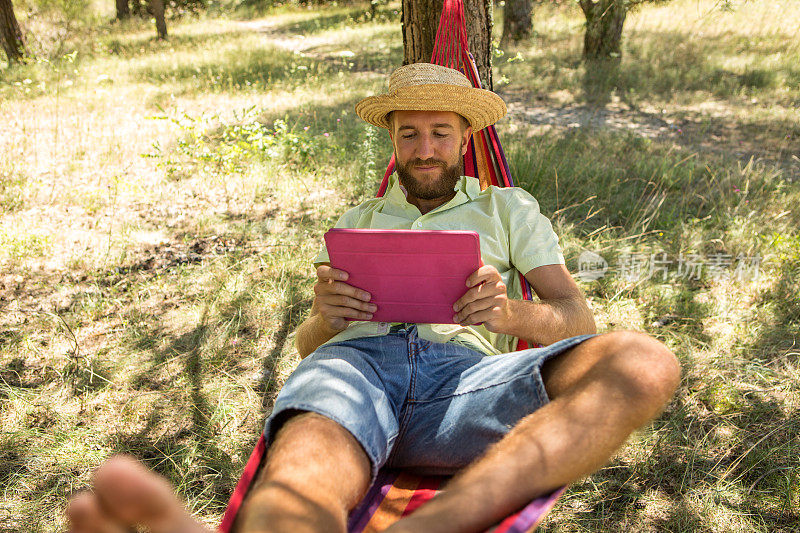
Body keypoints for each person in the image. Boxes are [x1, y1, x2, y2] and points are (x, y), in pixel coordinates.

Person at [66, 63, 681, 533]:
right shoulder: (357, 220)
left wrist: (515, 314)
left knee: (644, 362)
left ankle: (443, 521)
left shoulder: (507, 207)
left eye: (441, 132)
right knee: (301, 474)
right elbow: (310, 344)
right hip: (353, 373)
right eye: (409, 133)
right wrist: (324, 319)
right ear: (391, 137)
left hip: (464, 382)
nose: (424, 148)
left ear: (465, 138)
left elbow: (578, 318)